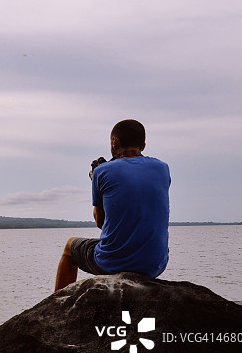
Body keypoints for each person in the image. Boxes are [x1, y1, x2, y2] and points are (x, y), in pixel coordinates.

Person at [54, 119, 170, 291]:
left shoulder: (102, 171)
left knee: (69, 247)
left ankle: (59, 301)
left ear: (115, 142)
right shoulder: (163, 168)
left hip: (113, 263)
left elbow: (101, 222)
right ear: (144, 145)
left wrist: (96, 179)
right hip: (155, 265)